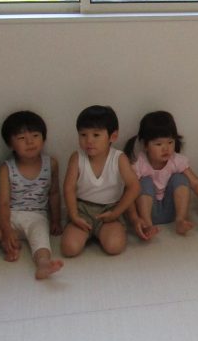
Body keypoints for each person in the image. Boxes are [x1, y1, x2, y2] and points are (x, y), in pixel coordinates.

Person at [0, 111, 63, 280]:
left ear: (43, 139)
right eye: (21, 138)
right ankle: (7, 241)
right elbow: (3, 203)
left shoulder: (51, 163)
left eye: (35, 136)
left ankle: (43, 264)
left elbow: (54, 193)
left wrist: (56, 220)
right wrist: (6, 230)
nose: (30, 142)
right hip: (10, 217)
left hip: (37, 216)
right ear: (10, 144)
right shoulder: (6, 168)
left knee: (40, 237)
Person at [123, 111, 198, 237]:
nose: (166, 148)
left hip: (171, 212)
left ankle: (181, 220)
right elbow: (128, 192)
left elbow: (196, 183)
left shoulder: (176, 160)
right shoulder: (139, 163)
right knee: (143, 182)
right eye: (158, 144)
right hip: (148, 212)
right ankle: (148, 225)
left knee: (180, 178)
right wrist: (134, 219)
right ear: (146, 145)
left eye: (170, 142)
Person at [60, 105, 141, 257]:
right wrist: (74, 215)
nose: (89, 140)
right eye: (83, 135)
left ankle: (102, 232)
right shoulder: (77, 158)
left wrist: (116, 213)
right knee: (69, 248)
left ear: (113, 136)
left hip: (109, 210)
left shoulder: (119, 158)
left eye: (96, 135)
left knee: (114, 246)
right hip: (82, 210)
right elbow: (68, 188)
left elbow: (134, 186)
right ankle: (85, 232)